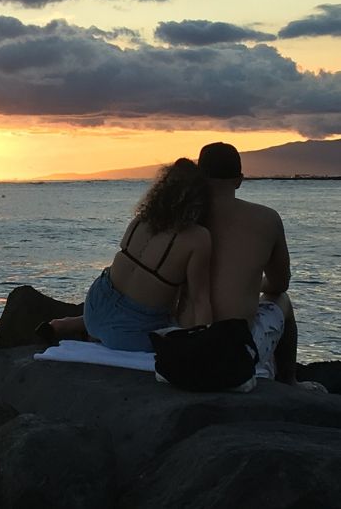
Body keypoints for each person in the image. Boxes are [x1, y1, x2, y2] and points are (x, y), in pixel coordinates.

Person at [39, 158, 212, 351]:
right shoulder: (198, 238)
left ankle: (72, 324)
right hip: (127, 333)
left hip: (95, 304)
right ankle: (95, 333)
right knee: (178, 321)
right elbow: (200, 299)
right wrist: (204, 345)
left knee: (127, 299)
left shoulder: (140, 220)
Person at [197, 141, 326, 391]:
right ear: (239, 180)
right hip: (238, 344)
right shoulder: (266, 218)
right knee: (282, 300)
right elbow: (280, 284)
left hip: (187, 334)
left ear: (199, 177)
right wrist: (251, 283)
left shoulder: (182, 216)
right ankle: (289, 380)